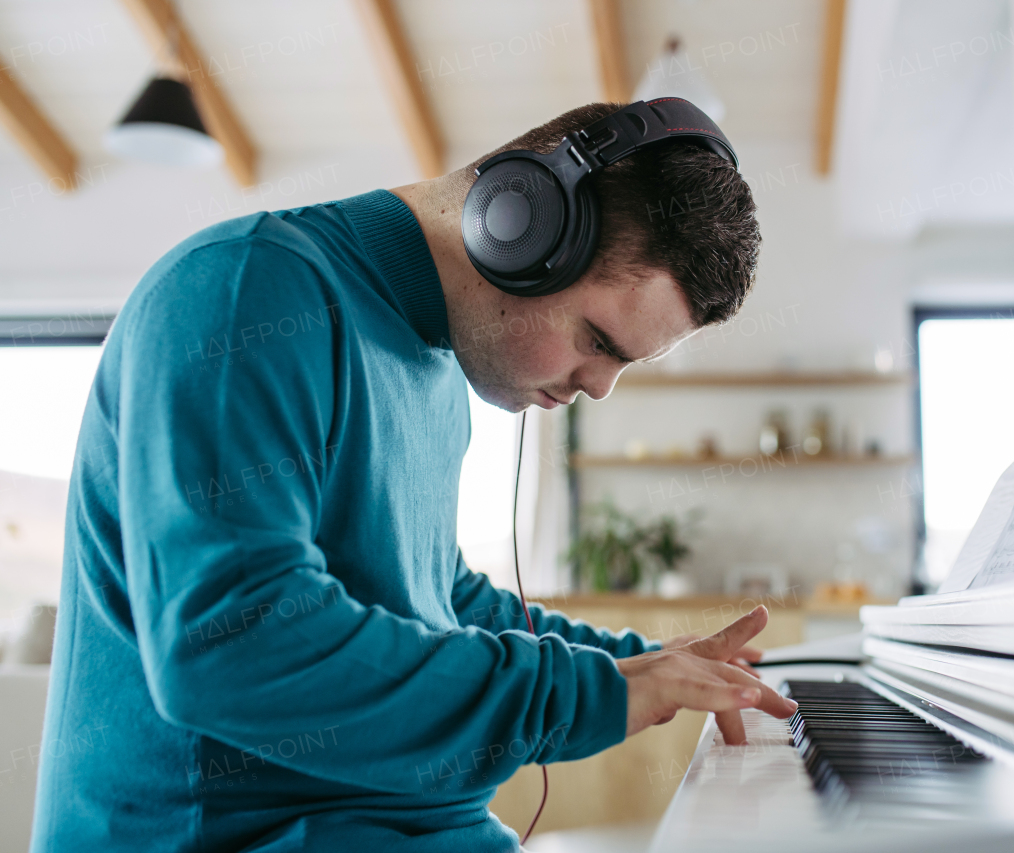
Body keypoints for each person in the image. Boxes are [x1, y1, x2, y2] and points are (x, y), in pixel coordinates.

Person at [31, 100, 795, 853]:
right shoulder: (242, 295)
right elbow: (233, 647)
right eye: (597, 339)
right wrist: (590, 696)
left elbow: (440, 596)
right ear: (519, 223)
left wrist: (638, 660)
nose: (599, 388)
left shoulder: (435, 368)